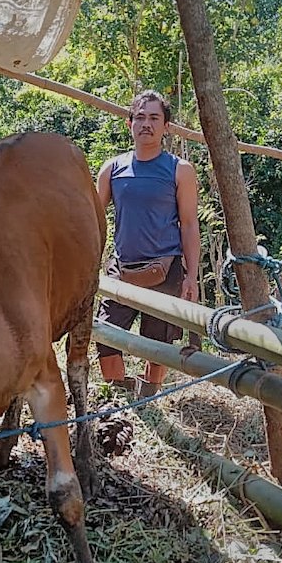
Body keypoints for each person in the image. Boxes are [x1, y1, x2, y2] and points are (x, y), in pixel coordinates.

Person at [96, 89, 200, 397]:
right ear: (129, 124)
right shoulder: (113, 169)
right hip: (121, 268)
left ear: (166, 126)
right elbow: (93, 219)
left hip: (165, 270)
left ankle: (148, 395)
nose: (146, 124)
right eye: (139, 117)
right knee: (105, 335)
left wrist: (191, 276)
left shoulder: (179, 169)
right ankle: (117, 394)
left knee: (158, 341)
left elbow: (190, 224)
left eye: (154, 117)